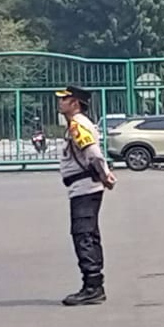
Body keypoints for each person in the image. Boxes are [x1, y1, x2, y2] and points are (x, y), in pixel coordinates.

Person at [55, 85, 117, 305]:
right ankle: (93, 285)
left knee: (83, 235)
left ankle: (93, 287)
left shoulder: (78, 125)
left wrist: (105, 175)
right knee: (88, 234)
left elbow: (93, 153)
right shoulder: (76, 124)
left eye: (65, 99)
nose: (60, 103)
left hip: (84, 187)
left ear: (75, 103)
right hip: (83, 186)